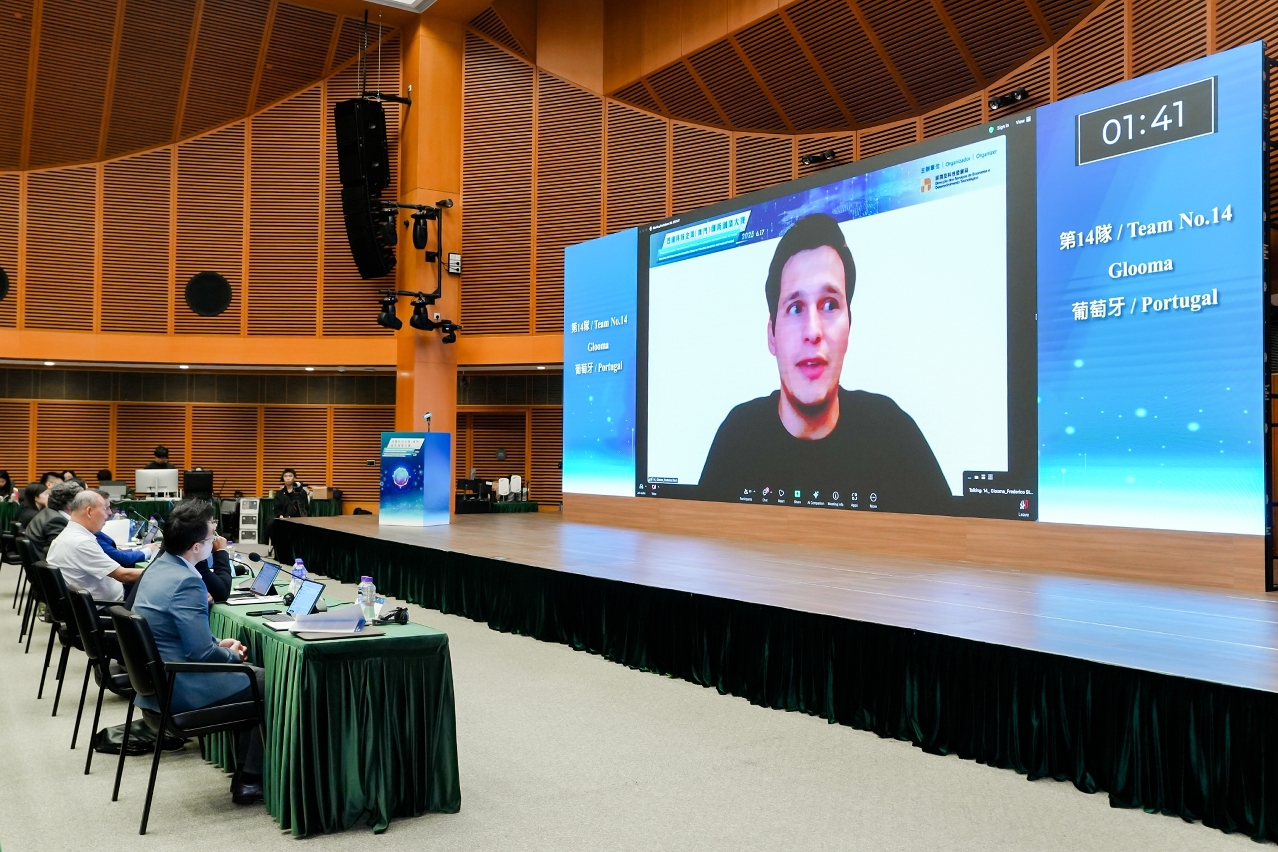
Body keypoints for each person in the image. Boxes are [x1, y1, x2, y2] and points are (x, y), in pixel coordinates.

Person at [698, 213, 950, 514]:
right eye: (795, 308)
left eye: (829, 305)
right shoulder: (738, 437)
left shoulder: (892, 433)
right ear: (772, 335)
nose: (813, 331)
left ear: (849, 328)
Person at [128, 499, 264, 804]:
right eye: (211, 536)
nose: (214, 540)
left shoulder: (160, 566)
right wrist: (231, 655)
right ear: (196, 547)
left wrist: (219, 644)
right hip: (180, 689)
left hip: (156, 686)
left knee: (251, 676)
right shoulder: (188, 581)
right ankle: (250, 779)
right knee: (266, 681)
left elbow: (181, 636)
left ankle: (246, 773)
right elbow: (201, 656)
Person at [46, 490, 145, 602]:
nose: (108, 514)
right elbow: (123, 575)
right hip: (108, 606)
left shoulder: (67, 536)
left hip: (92, 602)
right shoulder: (81, 543)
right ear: (89, 511)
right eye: (105, 509)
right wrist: (157, 572)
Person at [24, 481, 81, 560]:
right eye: (81, 501)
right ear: (70, 504)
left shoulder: (48, 513)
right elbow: (60, 553)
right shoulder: (56, 521)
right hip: (48, 564)